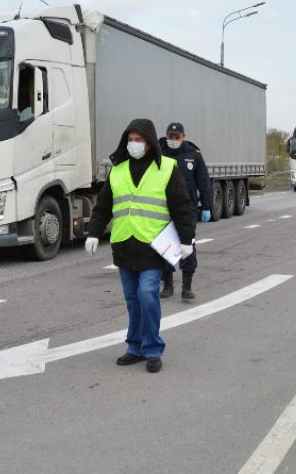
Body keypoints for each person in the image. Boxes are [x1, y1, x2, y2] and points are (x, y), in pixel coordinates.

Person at [85, 119, 195, 373]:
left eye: (139, 140)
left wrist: (187, 239)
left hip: (153, 245)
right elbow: (103, 206)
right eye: (130, 140)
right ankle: (135, 347)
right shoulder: (118, 170)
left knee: (147, 294)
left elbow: (182, 206)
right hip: (124, 244)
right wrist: (92, 233)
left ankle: (153, 348)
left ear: (150, 142)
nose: (134, 144)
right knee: (133, 300)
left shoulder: (167, 168)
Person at [159, 122, 212, 300]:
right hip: (163, 207)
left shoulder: (193, 155)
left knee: (187, 245)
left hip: (187, 208)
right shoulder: (158, 153)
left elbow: (204, 182)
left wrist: (206, 206)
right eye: (170, 137)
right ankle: (167, 285)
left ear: (183, 136)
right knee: (165, 246)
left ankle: (187, 286)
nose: (173, 140)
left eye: (177, 137)